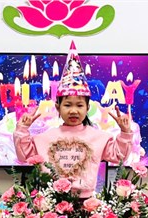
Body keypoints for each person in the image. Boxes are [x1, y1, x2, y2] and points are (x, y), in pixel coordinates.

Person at [13, 42, 134, 198]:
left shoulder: (100, 138)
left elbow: (119, 156)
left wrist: (125, 132)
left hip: (87, 203)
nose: (73, 111)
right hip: (50, 202)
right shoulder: (43, 138)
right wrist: (22, 129)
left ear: (87, 107)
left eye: (79, 105)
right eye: (68, 105)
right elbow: (24, 156)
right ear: (58, 107)